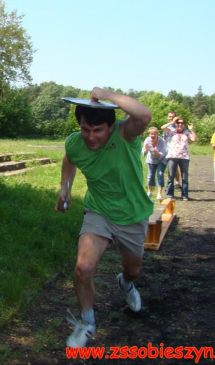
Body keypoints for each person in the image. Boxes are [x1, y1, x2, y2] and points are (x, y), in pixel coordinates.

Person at [56, 88, 153, 348]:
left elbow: (143, 115)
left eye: (97, 130)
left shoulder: (125, 134)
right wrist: (65, 187)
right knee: (83, 268)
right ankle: (87, 322)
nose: (90, 136)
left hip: (133, 214)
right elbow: (70, 159)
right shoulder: (75, 142)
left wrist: (107, 94)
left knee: (133, 270)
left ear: (111, 127)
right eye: (86, 129)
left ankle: (126, 284)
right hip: (98, 211)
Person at [161, 116, 197, 201]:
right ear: (176, 124)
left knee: (184, 176)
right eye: (178, 123)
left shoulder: (187, 133)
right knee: (171, 176)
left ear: (184, 124)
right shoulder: (172, 132)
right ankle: (170, 194)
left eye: (182, 123)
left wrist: (191, 129)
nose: (180, 124)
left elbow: (195, 139)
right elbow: (162, 128)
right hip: (172, 156)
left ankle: (185, 195)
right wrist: (172, 122)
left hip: (184, 157)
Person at [142, 127, 167, 200]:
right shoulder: (147, 140)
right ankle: (149, 192)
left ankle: (159, 194)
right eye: (151, 134)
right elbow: (144, 152)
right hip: (151, 160)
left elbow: (162, 154)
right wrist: (146, 150)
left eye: (154, 134)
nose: (152, 135)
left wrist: (157, 153)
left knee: (160, 174)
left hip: (161, 160)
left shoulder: (161, 141)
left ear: (157, 134)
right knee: (150, 175)